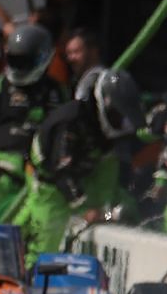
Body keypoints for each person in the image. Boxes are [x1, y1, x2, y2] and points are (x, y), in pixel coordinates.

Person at [8, 68, 141, 256]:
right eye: (118, 117)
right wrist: (85, 210)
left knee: (121, 205)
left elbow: (109, 176)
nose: (122, 124)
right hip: (51, 185)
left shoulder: (109, 134)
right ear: (104, 103)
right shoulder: (70, 121)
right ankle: (32, 268)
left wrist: (108, 212)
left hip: (87, 176)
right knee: (48, 238)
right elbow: (62, 172)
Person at [0, 23, 65, 157]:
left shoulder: (54, 91)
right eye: (15, 60)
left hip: (34, 163)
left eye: (25, 61)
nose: (19, 68)